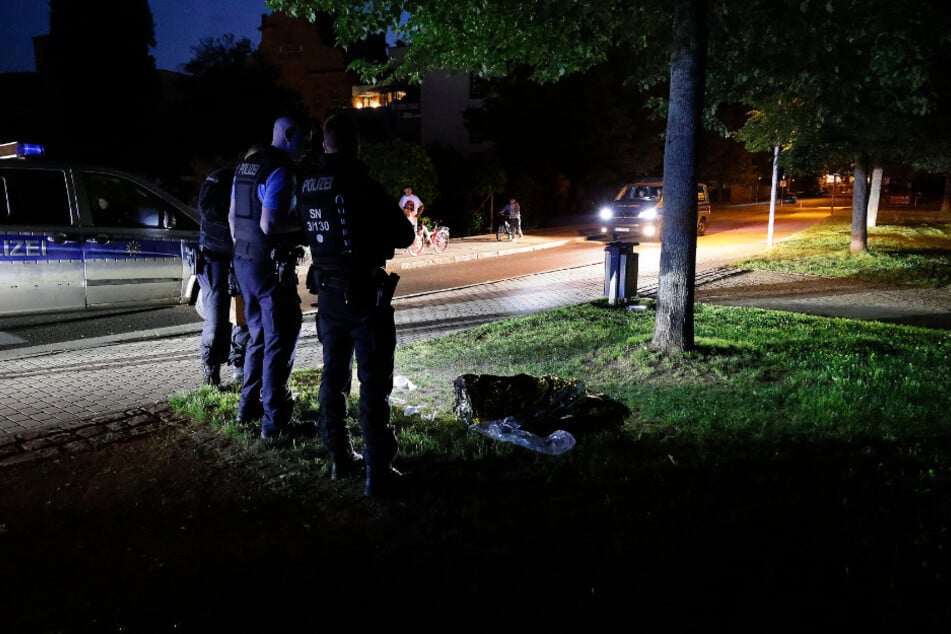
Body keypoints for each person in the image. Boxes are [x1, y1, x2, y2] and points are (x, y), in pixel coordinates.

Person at [298, 112, 416, 497]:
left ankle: (338, 456)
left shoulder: (308, 186)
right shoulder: (362, 184)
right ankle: (377, 470)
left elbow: (305, 230)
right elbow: (404, 233)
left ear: (324, 144)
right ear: (355, 145)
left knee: (332, 380)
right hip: (365, 299)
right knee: (373, 383)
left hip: (327, 300)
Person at [228, 116, 305, 440]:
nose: (304, 145)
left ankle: (248, 407)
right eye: (302, 137)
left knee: (258, 335)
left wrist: (245, 251)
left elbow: (233, 217)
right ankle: (274, 422)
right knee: (280, 337)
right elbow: (270, 223)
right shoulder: (280, 170)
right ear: (288, 136)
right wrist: (304, 229)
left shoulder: (246, 167)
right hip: (269, 265)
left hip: (244, 261)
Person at [196, 157, 252, 387]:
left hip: (228, 257)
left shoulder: (233, 179)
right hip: (223, 256)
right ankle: (222, 372)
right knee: (227, 317)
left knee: (234, 317)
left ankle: (227, 371)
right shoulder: (228, 180)